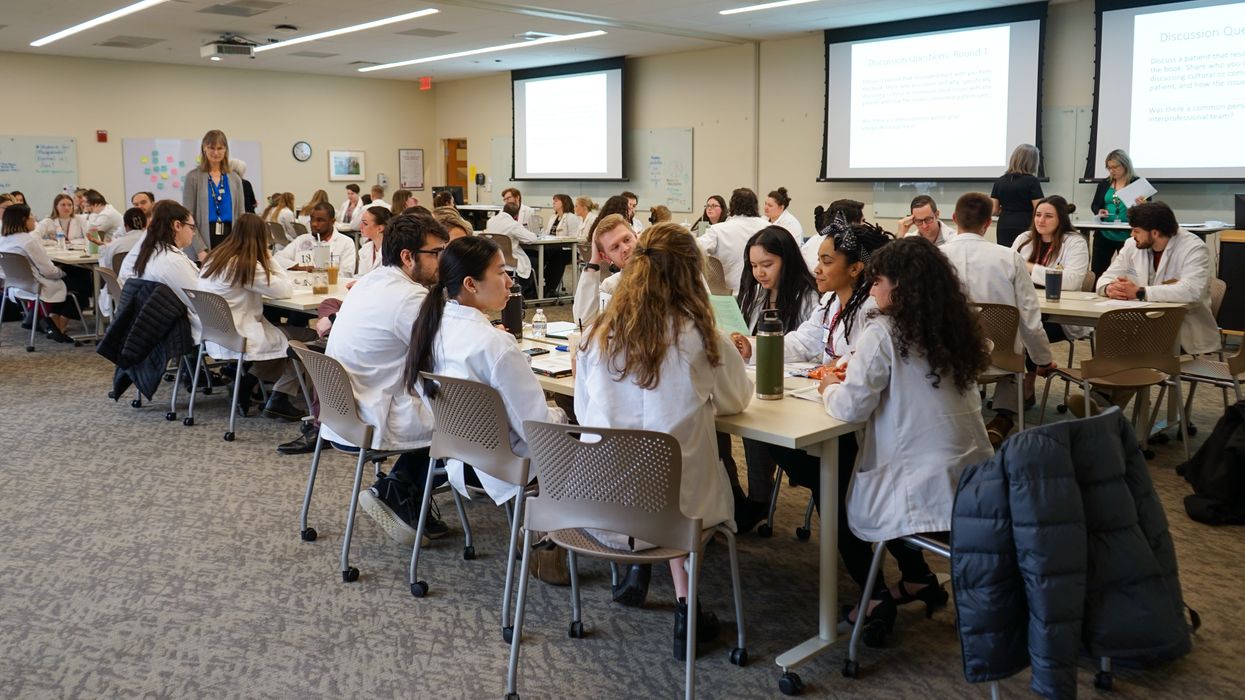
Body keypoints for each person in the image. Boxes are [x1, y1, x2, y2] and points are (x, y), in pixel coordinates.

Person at [575, 222, 752, 660]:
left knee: (658, 470)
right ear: (691, 274)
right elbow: (735, 399)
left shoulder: (597, 336)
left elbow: (582, 413)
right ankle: (687, 608)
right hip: (678, 514)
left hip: (603, 509)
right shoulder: (700, 335)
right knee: (679, 473)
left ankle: (679, 599)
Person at [816, 235, 993, 639]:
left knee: (836, 497)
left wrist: (827, 387)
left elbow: (851, 408)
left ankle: (873, 599)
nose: (873, 289)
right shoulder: (954, 328)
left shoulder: (885, 333)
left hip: (921, 488)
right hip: (974, 484)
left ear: (901, 286)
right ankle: (915, 579)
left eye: (879, 281)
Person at [405, 234, 566, 523]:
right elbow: (536, 430)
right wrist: (566, 415)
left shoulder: (430, 328)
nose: (509, 282)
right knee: (581, 424)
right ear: (470, 284)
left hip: (459, 458)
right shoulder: (495, 344)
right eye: (501, 272)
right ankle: (553, 537)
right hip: (509, 466)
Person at [311, 214, 452, 538]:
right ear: (407, 256)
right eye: (436, 253)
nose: (442, 261)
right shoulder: (410, 298)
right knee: (470, 419)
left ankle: (402, 489)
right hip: (375, 413)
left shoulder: (370, 282)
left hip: (343, 413)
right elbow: (448, 356)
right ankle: (399, 489)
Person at [1085, 201, 1220, 414]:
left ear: (1155, 233)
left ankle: (1102, 402)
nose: (1132, 235)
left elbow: (1192, 291)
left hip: (1181, 326)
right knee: (1115, 335)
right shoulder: (1133, 245)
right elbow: (1106, 277)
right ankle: (1105, 406)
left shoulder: (1193, 247)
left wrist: (1140, 292)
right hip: (1139, 323)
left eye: (1137, 231)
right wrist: (1110, 288)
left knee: (1133, 345)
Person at [942, 192, 1054, 446]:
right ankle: (1003, 417)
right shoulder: (1009, 258)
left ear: (954, 218)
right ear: (988, 222)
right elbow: (1030, 318)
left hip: (947, 356)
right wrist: (1042, 360)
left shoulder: (935, 256)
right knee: (1016, 344)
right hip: (1000, 359)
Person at [727, 224, 819, 531]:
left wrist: (754, 348)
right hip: (756, 380)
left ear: (787, 260)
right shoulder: (756, 295)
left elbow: (808, 348)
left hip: (795, 387)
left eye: (767, 265)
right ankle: (740, 497)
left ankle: (758, 499)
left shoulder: (807, 298)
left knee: (755, 420)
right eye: (754, 266)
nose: (759, 273)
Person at [197, 213, 304, 419]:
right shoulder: (246, 266)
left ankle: (250, 383)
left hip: (216, 334)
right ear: (262, 239)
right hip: (240, 335)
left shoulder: (214, 259)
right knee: (302, 341)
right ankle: (275, 396)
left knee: (280, 334)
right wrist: (269, 257)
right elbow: (285, 289)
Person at [1010, 195, 1091, 395]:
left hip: (1059, 316)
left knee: (1027, 328)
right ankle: (1012, 381)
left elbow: (1072, 281)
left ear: (1061, 219)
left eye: (1048, 216)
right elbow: (1006, 270)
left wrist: (1029, 268)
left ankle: (1026, 386)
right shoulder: (1024, 239)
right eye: (1038, 215)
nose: (1041, 220)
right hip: (1026, 307)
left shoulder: (1074, 242)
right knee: (1007, 325)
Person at [119, 200, 203, 341]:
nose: (193, 233)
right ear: (177, 225)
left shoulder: (153, 251)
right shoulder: (172, 261)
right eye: (192, 227)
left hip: (155, 324)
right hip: (184, 327)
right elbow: (201, 302)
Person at [0, 203, 80, 342]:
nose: (34, 219)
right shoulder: (29, 241)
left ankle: (41, 318)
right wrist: (62, 271)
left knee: (72, 280)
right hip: (36, 286)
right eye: (31, 216)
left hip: (15, 285)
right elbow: (48, 271)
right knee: (81, 281)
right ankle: (54, 323)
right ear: (23, 220)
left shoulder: (3, 240)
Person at [697, 187, 777, 295]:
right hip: (762, 295)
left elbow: (692, 249)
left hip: (729, 297)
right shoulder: (769, 228)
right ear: (755, 206)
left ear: (731, 206)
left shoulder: (718, 230)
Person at [182, 129, 244, 259]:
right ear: (204, 148)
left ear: (225, 150)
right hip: (203, 239)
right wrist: (200, 249)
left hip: (230, 240)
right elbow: (188, 218)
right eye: (211, 148)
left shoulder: (235, 179)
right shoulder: (193, 177)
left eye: (220, 148)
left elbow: (240, 216)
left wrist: (239, 246)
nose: (215, 152)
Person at [1089, 148, 1147, 279]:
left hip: (1128, 234)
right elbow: (1095, 204)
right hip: (1105, 233)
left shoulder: (1137, 183)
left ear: (1125, 165)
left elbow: (1149, 209)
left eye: (1115, 167)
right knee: (1098, 270)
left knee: (1129, 271)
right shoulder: (1104, 183)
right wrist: (1099, 211)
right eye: (1109, 168)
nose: (1112, 171)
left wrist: (1142, 206)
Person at [572, 213, 636, 326]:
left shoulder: (666, 273)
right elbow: (583, 320)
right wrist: (594, 261)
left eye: (627, 240)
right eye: (615, 247)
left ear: (636, 236)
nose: (625, 249)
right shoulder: (612, 285)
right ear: (606, 257)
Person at [272, 202, 358, 275]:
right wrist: (299, 267)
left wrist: (320, 272)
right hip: (301, 288)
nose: (314, 224)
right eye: (312, 219)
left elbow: (347, 273)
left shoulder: (345, 242)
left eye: (320, 220)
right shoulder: (302, 239)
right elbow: (278, 258)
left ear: (332, 222)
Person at [990, 144, 1044, 249]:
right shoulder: (1032, 181)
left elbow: (994, 210)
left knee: (1006, 256)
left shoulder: (1000, 181)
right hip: (1025, 224)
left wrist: (1008, 210)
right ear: (1032, 162)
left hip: (1004, 224)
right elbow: (1039, 208)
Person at [484, 202, 536, 297]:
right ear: (516, 215)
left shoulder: (491, 221)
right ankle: (531, 292)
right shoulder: (513, 225)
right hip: (510, 260)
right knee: (535, 260)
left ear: (503, 210)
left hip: (493, 258)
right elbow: (531, 239)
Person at [800, 198, 864, 272]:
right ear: (852, 223)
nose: (864, 225)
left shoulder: (814, 240)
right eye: (862, 221)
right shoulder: (847, 244)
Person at [354, 205, 391, 279]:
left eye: (365, 224)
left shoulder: (391, 250)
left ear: (380, 228)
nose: (360, 227)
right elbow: (361, 276)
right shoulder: (365, 249)